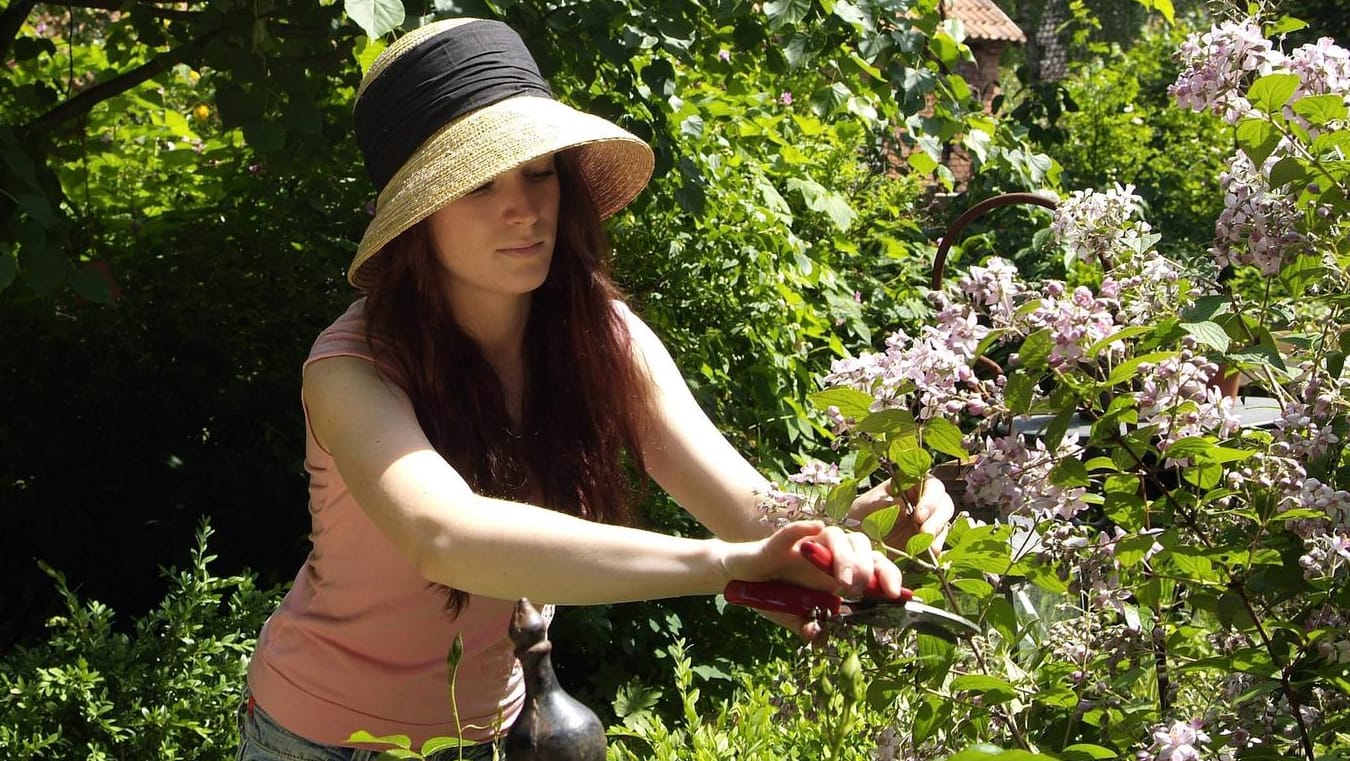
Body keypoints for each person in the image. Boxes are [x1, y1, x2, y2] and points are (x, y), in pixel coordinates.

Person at [236, 16, 954, 761]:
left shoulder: (598, 336)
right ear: (417, 218)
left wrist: (851, 530)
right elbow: (442, 535)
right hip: (320, 739)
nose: (523, 207)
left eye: (539, 171)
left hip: (487, 736)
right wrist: (721, 564)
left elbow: (748, 509)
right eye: (479, 183)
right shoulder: (350, 368)